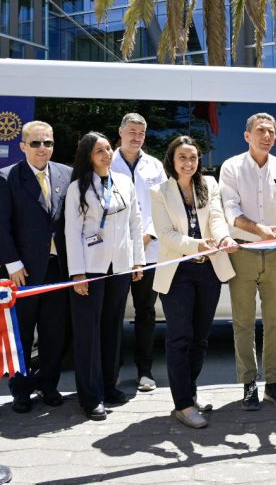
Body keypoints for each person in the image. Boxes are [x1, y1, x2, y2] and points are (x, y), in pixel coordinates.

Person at [149, 136, 238, 428]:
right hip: (178, 273)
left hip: (209, 270)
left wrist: (223, 238)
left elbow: (216, 218)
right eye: (182, 158)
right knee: (179, 338)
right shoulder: (160, 191)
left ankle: (190, 393)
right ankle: (183, 405)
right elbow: (166, 235)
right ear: (172, 160)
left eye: (193, 157)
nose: (188, 163)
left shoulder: (209, 184)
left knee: (200, 338)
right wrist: (198, 245)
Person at [219, 112, 276, 411]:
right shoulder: (231, 167)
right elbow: (230, 209)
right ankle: (248, 384)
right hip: (242, 252)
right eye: (260, 131)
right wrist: (259, 230)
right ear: (247, 136)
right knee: (243, 322)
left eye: (271, 132)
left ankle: (274, 384)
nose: (266, 136)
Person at [0, 121, 72, 413]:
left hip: (58, 269)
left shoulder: (66, 174)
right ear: (22, 146)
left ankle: (49, 385)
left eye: (48, 143)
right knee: (22, 332)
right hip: (23, 272)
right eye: (35, 143)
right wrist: (12, 264)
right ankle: (21, 390)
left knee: (54, 332)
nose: (42, 148)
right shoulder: (7, 177)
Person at [65, 132, 145, 421]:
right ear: (88, 155)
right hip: (91, 268)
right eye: (99, 150)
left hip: (120, 267)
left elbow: (135, 223)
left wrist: (138, 261)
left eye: (109, 148)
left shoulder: (123, 182)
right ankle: (90, 397)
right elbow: (72, 232)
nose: (107, 154)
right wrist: (77, 273)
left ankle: (109, 387)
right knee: (89, 333)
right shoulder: (78, 187)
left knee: (113, 329)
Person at [111, 113, 167, 393]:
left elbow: (164, 204)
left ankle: (145, 371)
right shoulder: (107, 161)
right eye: (132, 131)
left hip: (149, 249)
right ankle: (112, 371)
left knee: (146, 312)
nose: (136, 137)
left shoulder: (154, 165)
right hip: (116, 252)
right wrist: (127, 242)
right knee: (114, 313)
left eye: (141, 133)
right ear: (120, 132)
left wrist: (147, 236)